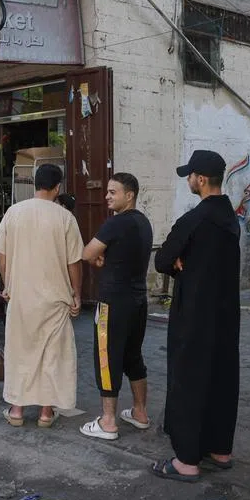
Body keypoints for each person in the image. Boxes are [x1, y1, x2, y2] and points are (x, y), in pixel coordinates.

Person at [150, 150, 241, 481]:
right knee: (222, 378)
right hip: (226, 316)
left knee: (188, 381)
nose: (188, 180)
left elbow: (162, 260)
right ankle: (220, 449)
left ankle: (186, 460)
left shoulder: (194, 220)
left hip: (193, 316)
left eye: (190, 175)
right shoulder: (230, 219)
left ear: (201, 180)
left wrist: (177, 262)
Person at [0, 164, 82, 427]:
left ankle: (17, 410)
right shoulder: (65, 218)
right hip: (55, 298)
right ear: (58, 188)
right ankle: (45, 412)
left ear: (34, 184)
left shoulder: (14, 212)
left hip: (21, 297)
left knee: (20, 352)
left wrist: (8, 283)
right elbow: (74, 262)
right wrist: (76, 293)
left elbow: (1, 254)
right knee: (51, 355)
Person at [79, 173, 153, 442]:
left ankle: (108, 421)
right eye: (107, 191)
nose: (107, 196)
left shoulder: (116, 223)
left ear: (129, 195)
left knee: (106, 358)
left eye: (113, 192)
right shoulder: (143, 223)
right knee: (133, 356)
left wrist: (98, 258)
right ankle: (140, 412)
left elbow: (87, 253)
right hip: (138, 301)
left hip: (113, 303)